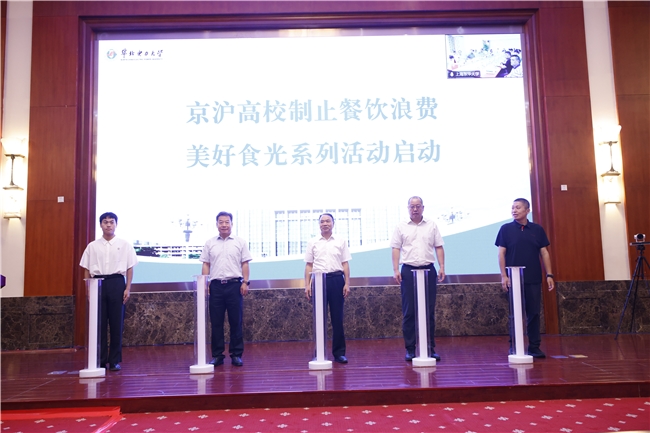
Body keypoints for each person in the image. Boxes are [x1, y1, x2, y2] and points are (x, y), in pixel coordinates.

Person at [495, 198, 555, 358]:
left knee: (533, 313)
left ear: (527, 210)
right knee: (515, 314)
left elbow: (544, 253)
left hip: (533, 277)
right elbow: (501, 253)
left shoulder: (537, 229)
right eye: (512, 208)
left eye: (518, 207)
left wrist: (549, 274)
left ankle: (534, 347)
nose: (514, 210)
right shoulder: (506, 229)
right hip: (513, 279)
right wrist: (504, 276)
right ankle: (514, 345)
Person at [80, 212, 138, 372]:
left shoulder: (124, 245)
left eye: (111, 222)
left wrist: (128, 288)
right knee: (99, 324)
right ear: (100, 225)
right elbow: (86, 269)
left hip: (116, 283)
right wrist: (88, 290)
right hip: (97, 283)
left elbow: (130, 268)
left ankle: (114, 361)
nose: (108, 225)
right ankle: (100, 360)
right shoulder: (92, 246)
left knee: (116, 323)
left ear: (116, 225)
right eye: (105, 222)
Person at [390, 196, 445, 362]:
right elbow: (396, 248)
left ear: (423, 208)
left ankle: (430, 348)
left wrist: (442, 266)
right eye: (412, 206)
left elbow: (439, 246)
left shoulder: (431, 225)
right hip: (408, 271)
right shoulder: (401, 226)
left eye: (418, 206)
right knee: (409, 311)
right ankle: (410, 349)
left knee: (429, 310)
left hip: (428, 270)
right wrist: (396, 269)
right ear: (408, 208)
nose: (415, 209)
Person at [200, 211, 252, 367]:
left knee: (236, 321)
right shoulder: (210, 243)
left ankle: (236, 354)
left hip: (234, 285)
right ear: (217, 224)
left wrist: (245, 282)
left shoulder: (240, 242)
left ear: (231, 224)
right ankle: (217, 355)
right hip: (216, 286)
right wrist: (205, 283)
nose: (224, 225)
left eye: (227, 222)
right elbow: (206, 264)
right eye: (221, 222)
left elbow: (245, 263)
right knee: (216, 322)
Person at [304, 213, 352, 364]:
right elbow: (309, 265)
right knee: (319, 318)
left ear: (333, 223)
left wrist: (347, 283)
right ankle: (319, 353)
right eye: (322, 221)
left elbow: (345, 263)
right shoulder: (313, 242)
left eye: (328, 221)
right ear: (319, 224)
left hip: (337, 280)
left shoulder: (340, 241)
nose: (325, 224)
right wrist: (307, 285)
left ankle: (339, 353)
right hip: (319, 281)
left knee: (338, 318)